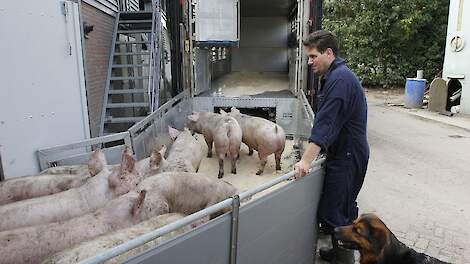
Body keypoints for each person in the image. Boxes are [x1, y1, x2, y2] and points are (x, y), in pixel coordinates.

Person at [294, 30, 370, 264]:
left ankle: (345, 260)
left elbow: (325, 124)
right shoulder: (336, 76)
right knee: (336, 208)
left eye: (313, 56)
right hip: (344, 152)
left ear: (329, 53)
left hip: (348, 156)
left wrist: (305, 161)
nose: (309, 62)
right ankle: (338, 252)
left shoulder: (340, 80)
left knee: (337, 212)